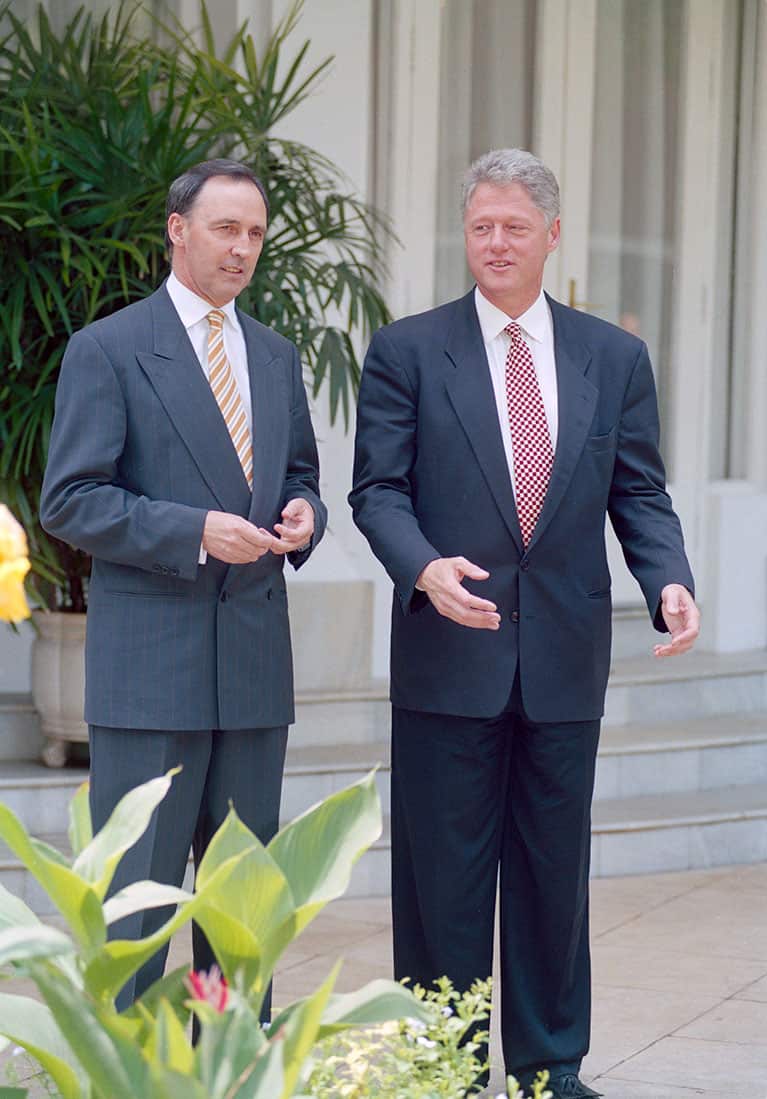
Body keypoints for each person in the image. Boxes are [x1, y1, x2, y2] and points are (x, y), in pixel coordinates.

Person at [349, 148, 699, 1098]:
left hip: (562, 655)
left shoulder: (612, 356)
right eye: (480, 227)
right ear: (464, 235)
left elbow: (639, 490)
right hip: (447, 651)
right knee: (442, 883)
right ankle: (445, 1065)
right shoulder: (408, 351)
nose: (495, 243)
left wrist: (667, 578)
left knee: (552, 875)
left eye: (513, 226)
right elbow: (377, 490)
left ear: (552, 234)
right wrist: (423, 567)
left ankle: (549, 1065)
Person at [40, 158, 326, 1009]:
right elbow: (71, 500)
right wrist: (194, 530)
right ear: (177, 230)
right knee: (135, 916)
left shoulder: (274, 355)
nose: (242, 248)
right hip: (150, 676)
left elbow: (299, 473)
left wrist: (304, 513)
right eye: (224, 228)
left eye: (255, 234)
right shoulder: (109, 348)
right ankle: (129, 1065)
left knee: (241, 927)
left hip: (253, 669)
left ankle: (228, 1065)